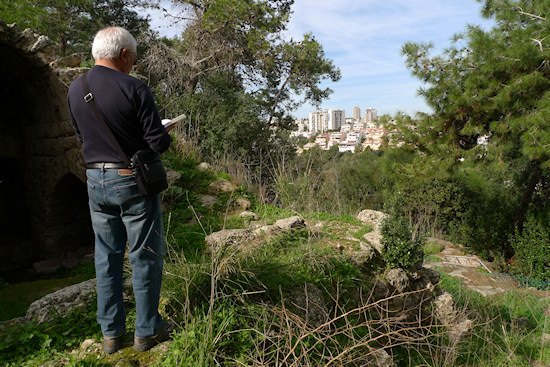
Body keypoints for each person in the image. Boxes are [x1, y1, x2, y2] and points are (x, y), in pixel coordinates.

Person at [67, 27, 175, 354]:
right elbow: (158, 143)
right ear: (124, 55)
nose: (133, 64)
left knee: (106, 256)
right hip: (131, 181)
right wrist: (163, 129)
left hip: (95, 181)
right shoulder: (134, 87)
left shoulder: (75, 88)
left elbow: (82, 137)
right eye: (133, 58)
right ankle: (147, 330)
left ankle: (111, 334)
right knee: (144, 255)